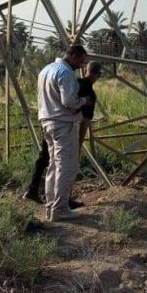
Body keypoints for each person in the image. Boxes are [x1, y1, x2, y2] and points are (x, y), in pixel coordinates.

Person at [22, 61, 102, 207]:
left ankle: (34, 190)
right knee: (66, 165)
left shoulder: (73, 82)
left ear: (85, 70)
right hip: (67, 127)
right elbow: (85, 121)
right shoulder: (89, 93)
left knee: (46, 158)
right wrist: (79, 145)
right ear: (98, 75)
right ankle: (63, 201)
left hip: (50, 120)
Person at [35, 45, 90, 222]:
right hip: (63, 123)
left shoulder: (46, 70)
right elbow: (69, 102)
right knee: (66, 166)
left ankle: (51, 206)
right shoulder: (66, 73)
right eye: (81, 61)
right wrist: (84, 101)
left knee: (54, 165)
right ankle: (60, 209)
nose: (81, 66)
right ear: (73, 56)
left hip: (47, 121)